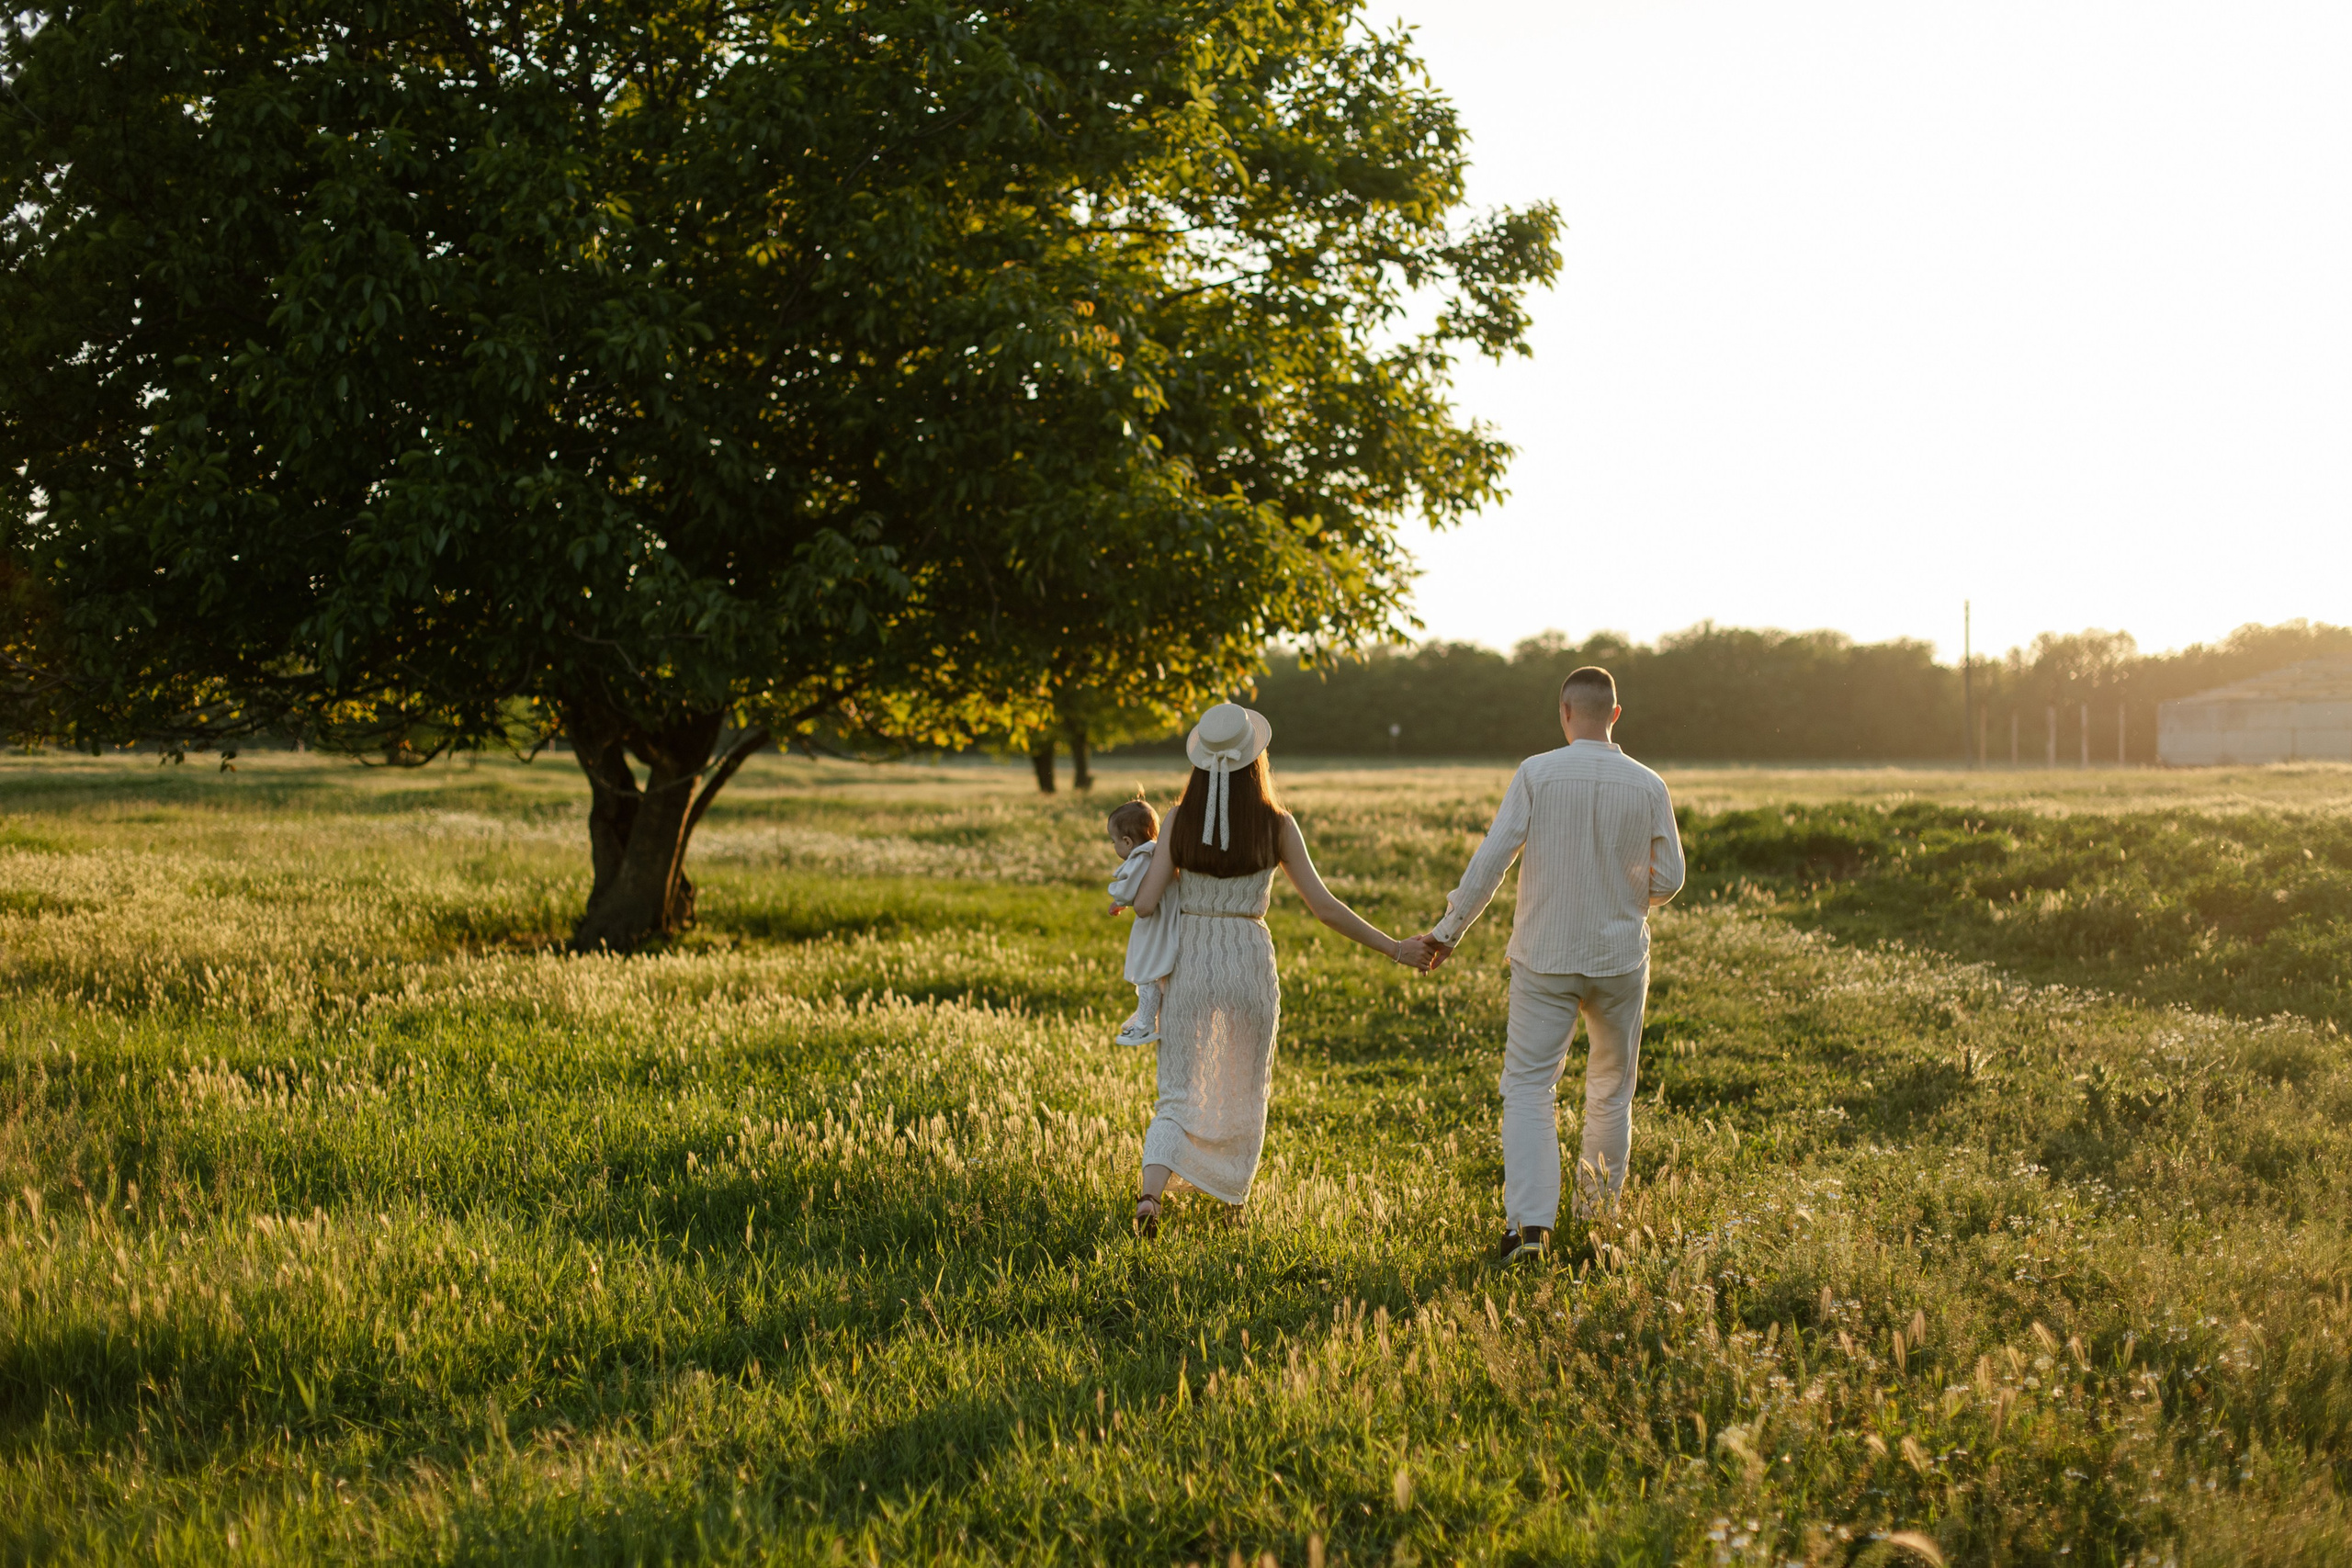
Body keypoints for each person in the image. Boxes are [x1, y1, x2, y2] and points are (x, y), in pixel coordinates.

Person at [1126, 703, 1437, 1236]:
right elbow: (1326, 908)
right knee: (1244, 1091)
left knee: (1177, 1090)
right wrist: (1394, 948)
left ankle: (1151, 1197)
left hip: (1190, 965)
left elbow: (1146, 905)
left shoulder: (1177, 819)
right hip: (1249, 963)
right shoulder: (1277, 824)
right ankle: (1231, 1204)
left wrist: (1151, 873)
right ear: (1255, 759)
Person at [1417, 666, 1685, 1265]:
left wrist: (1448, 932)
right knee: (1611, 1087)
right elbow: (1670, 878)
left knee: (1529, 1085)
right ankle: (1597, 1223)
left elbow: (1492, 862)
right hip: (1619, 959)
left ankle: (1529, 1229)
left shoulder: (1536, 773)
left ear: (1564, 712)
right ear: (1615, 714)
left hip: (1545, 957)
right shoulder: (1649, 784)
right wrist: (1621, 895)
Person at [1104, 796, 1176, 1045]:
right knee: (1148, 968)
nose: (1114, 847)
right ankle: (1145, 1011)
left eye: (1114, 841)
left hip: (1154, 925)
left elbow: (1128, 889)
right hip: (1161, 919)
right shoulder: (1157, 853)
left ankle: (1146, 1021)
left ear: (1127, 841)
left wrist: (1117, 896)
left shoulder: (1141, 857)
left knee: (1146, 970)